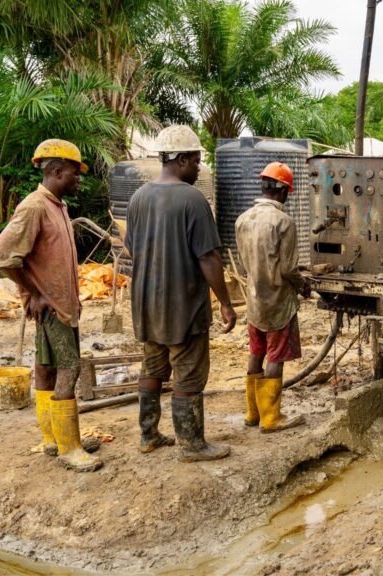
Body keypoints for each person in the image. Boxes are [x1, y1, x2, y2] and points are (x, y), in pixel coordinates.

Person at [0, 139, 102, 473]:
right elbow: (2, 257)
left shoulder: (57, 206)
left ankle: (53, 439)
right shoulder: (34, 207)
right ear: (55, 171)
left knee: (46, 367)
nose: (79, 179)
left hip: (59, 304)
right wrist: (33, 293)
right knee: (69, 368)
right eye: (74, 173)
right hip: (52, 306)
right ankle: (70, 447)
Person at [125, 125, 236, 462]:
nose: (200, 168)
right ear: (183, 158)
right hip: (183, 305)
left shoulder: (138, 197)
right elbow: (208, 257)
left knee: (153, 368)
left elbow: (132, 249)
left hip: (146, 304)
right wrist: (226, 304)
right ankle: (192, 444)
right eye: (197, 160)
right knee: (188, 371)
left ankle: (149, 434)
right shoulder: (193, 199)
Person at [235, 162, 309, 433]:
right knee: (275, 356)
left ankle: (252, 414)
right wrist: (304, 287)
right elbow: (289, 269)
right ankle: (271, 418)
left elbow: (244, 264)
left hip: (254, 300)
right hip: (278, 302)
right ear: (283, 191)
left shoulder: (243, 219)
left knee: (256, 352)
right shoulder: (283, 222)